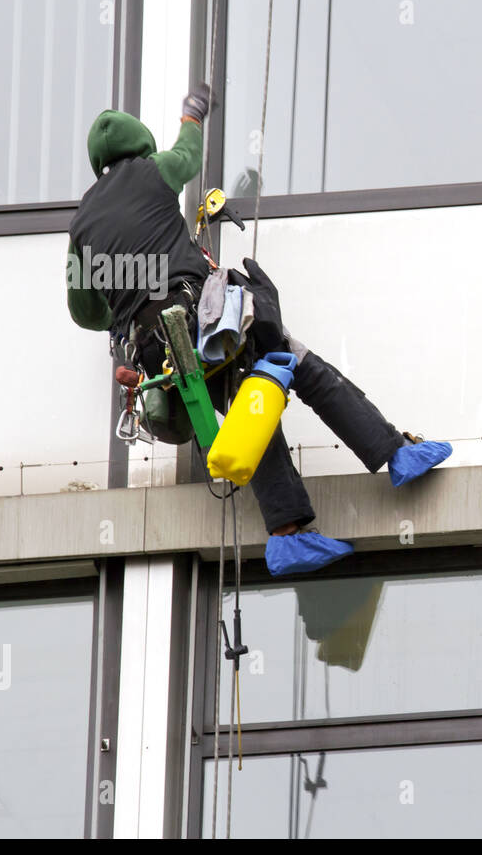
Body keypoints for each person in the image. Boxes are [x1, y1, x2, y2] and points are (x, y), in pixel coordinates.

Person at [65, 84, 452, 574]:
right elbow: (186, 156)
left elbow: (84, 311)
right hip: (202, 319)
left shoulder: (82, 224)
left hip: (153, 356)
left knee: (254, 403)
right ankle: (396, 453)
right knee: (296, 362)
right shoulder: (153, 172)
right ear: (139, 146)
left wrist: (123, 302)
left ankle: (289, 534)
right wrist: (192, 116)